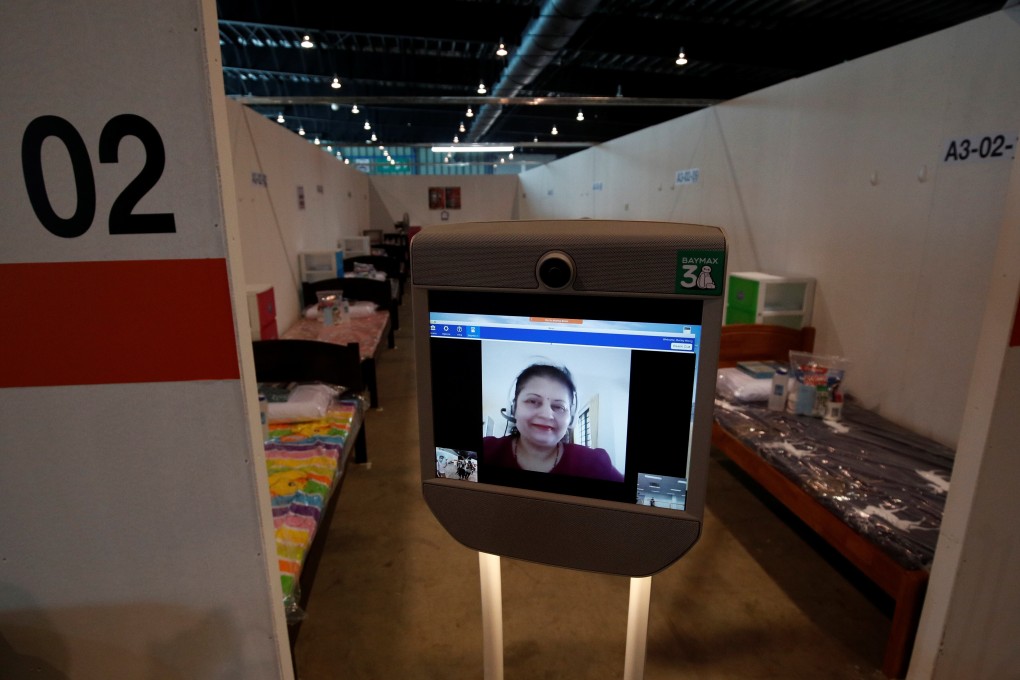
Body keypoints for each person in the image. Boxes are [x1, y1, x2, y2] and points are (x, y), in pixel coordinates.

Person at [482, 363, 623, 482]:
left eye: (559, 407)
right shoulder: (484, 451)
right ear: (513, 409)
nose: (546, 414)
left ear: (571, 419)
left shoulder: (594, 463)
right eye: (532, 401)